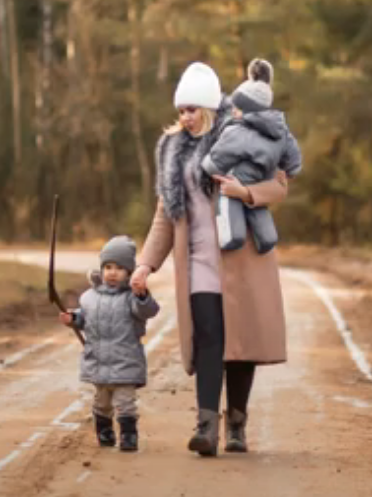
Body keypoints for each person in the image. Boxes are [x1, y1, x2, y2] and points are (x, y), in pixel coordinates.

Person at [131, 62, 291, 456]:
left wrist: (245, 192)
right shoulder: (172, 151)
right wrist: (145, 264)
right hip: (199, 264)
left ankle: (236, 423)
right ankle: (206, 426)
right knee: (209, 340)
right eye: (181, 109)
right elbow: (164, 216)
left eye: (191, 108)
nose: (184, 117)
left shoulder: (242, 136)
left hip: (243, 261)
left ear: (209, 107)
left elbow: (281, 185)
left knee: (240, 346)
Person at [59, 236, 159, 452]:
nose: (113, 273)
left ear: (130, 272)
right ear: (102, 268)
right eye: (108, 267)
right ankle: (104, 430)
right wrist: (73, 319)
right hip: (99, 362)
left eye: (120, 268)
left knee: (126, 403)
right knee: (101, 403)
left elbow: (149, 310)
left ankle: (128, 434)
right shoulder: (89, 297)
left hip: (125, 362)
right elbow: (83, 318)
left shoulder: (132, 298)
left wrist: (142, 295)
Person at [201, 58, 302, 254]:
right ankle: (266, 238)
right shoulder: (281, 130)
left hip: (237, 179)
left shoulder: (238, 131)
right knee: (258, 212)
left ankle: (231, 238)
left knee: (230, 208)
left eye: (237, 107)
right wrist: (289, 169)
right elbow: (293, 159)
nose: (233, 111)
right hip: (262, 176)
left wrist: (208, 168)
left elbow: (217, 159)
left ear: (246, 109)